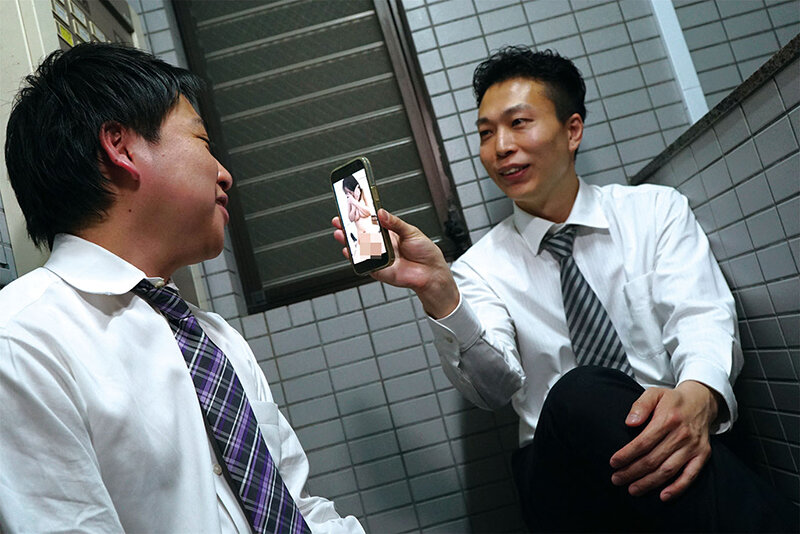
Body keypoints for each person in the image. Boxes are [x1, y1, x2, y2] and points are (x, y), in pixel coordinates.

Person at [333, 46, 795, 532]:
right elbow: (494, 389)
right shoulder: (478, 269)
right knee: (578, 390)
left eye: (518, 123)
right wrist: (438, 291)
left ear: (572, 130)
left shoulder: (654, 211)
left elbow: (700, 315)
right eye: (486, 133)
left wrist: (699, 396)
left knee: (670, 442)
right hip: (561, 476)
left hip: (676, 434)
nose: (500, 147)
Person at [0, 43, 364, 534]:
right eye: (202, 141)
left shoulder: (214, 338)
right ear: (121, 147)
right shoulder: (21, 343)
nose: (225, 174)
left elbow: (298, 507)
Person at [342, 175, 383, 260]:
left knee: (376, 259)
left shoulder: (362, 193)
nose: (348, 194)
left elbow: (368, 212)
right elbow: (351, 218)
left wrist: (355, 202)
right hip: (361, 236)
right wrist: (353, 204)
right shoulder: (349, 200)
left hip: (370, 232)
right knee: (366, 261)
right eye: (346, 192)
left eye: (349, 191)